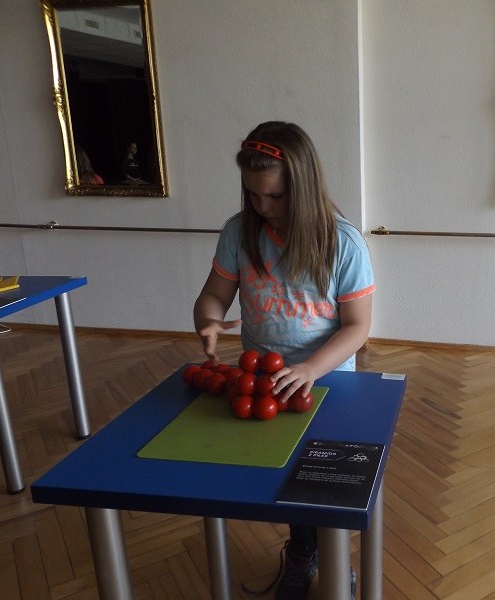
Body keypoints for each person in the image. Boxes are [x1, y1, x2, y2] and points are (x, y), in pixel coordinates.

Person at [193, 121, 373, 600]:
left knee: (322, 482)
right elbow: (213, 296)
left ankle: (333, 562)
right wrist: (208, 320)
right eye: (253, 195)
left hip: (329, 382)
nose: (263, 207)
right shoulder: (239, 233)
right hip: (264, 382)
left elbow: (357, 327)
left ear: (304, 186)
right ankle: (302, 553)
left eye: (275, 196)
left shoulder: (344, 243)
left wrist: (310, 369)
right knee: (282, 475)